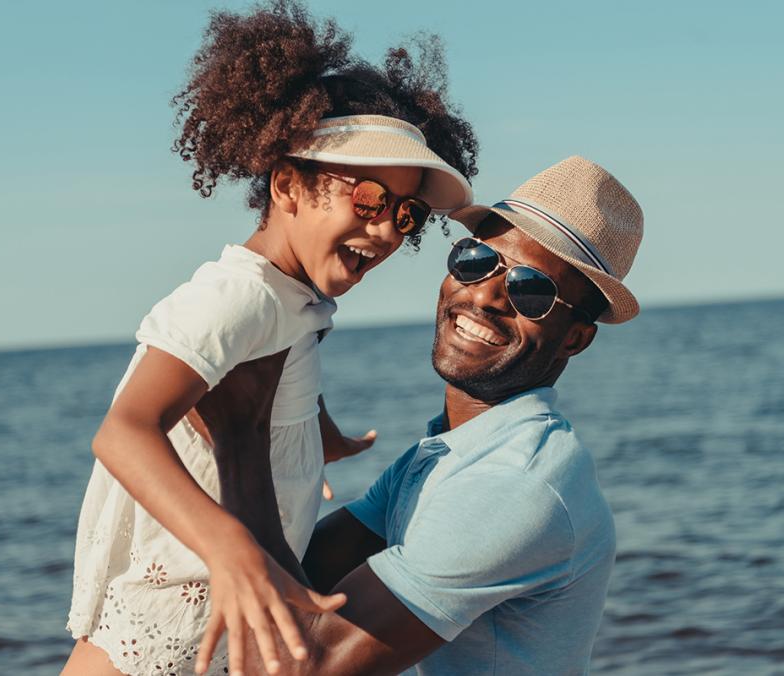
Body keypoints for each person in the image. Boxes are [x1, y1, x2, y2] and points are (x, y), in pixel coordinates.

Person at [60, 2, 478, 675]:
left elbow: (276, 367)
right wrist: (229, 546)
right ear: (288, 184)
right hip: (176, 603)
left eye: (406, 215)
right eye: (367, 199)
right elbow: (123, 431)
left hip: (228, 605)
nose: (386, 231)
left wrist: (318, 432)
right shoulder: (239, 295)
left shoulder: (294, 298)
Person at [226, 155, 644, 674]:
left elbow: (306, 664)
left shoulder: (513, 483)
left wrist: (238, 431)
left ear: (576, 338)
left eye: (532, 290)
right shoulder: (453, 451)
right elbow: (299, 574)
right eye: (475, 261)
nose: (486, 296)